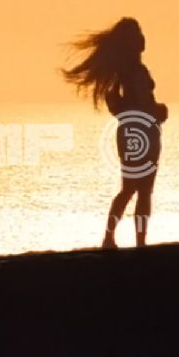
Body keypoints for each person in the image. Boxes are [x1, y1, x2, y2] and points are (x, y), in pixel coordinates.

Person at [62, 17, 168, 248]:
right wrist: (155, 111)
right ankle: (120, 238)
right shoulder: (129, 73)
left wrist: (149, 112)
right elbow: (128, 103)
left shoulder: (131, 71)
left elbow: (128, 103)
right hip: (139, 133)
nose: (143, 38)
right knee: (135, 189)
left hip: (142, 132)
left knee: (138, 190)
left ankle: (128, 239)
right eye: (138, 34)